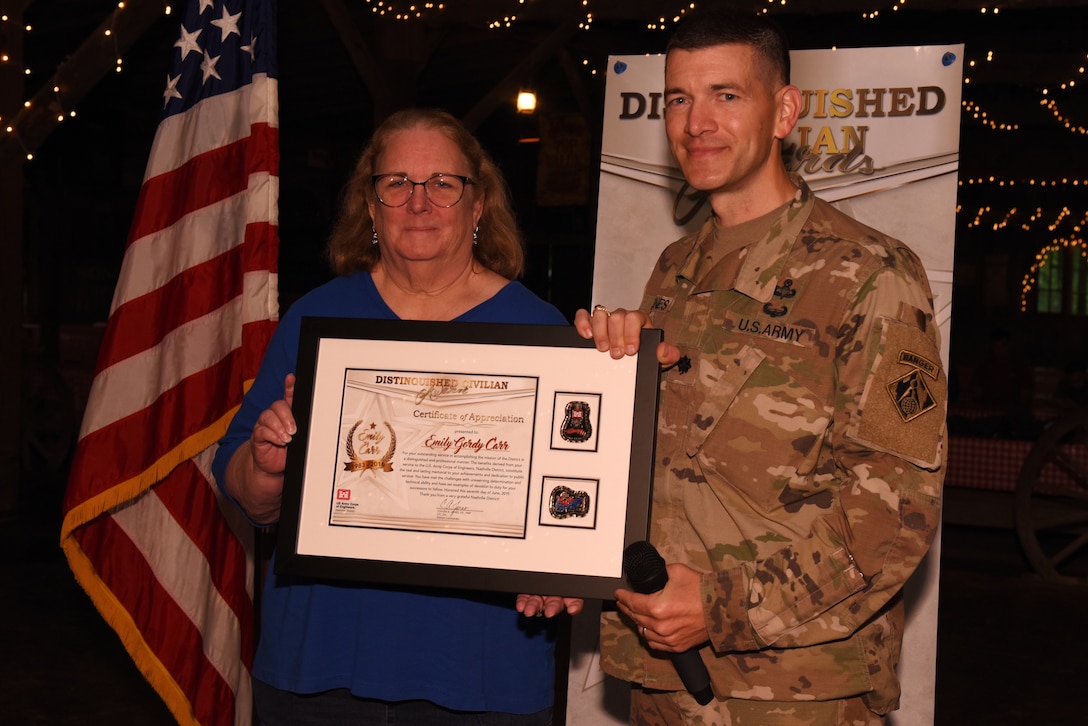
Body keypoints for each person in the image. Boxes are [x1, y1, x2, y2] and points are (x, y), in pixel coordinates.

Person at [575, 10, 946, 725]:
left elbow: (895, 515)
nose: (696, 122)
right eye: (678, 98)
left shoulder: (872, 273)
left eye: (726, 95)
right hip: (661, 675)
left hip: (793, 692)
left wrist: (721, 608)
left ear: (783, 111)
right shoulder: (675, 269)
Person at [212, 108, 582, 725]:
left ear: (479, 203)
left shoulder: (540, 333)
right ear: (371, 204)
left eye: (443, 183)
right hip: (319, 665)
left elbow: (569, 499)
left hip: (479, 675)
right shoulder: (315, 321)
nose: (419, 202)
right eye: (397, 184)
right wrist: (269, 466)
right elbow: (249, 496)